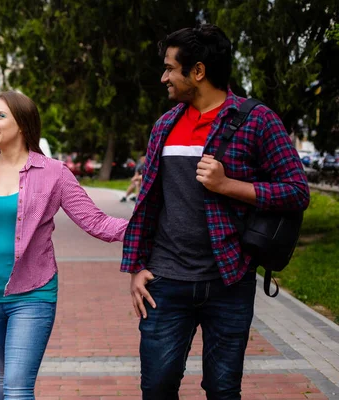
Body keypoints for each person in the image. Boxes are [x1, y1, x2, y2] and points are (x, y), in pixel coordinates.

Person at [121, 24, 309, 399]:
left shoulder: (257, 120)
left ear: (198, 71)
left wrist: (229, 186)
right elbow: (151, 203)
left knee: (223, 390)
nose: (164, 77)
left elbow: (296, 191)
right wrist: (137, 267)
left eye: (170, 68)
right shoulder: (165, 125)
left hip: (230, 279)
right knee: (156, 387)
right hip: (166, 282)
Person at [0, 90, 128, 400]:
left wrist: (146, 229)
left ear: (22, 123)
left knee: (18, 386)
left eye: (0, 116)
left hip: (33, 294)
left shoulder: (54, 174)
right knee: (0, 374)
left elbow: (96, 222)